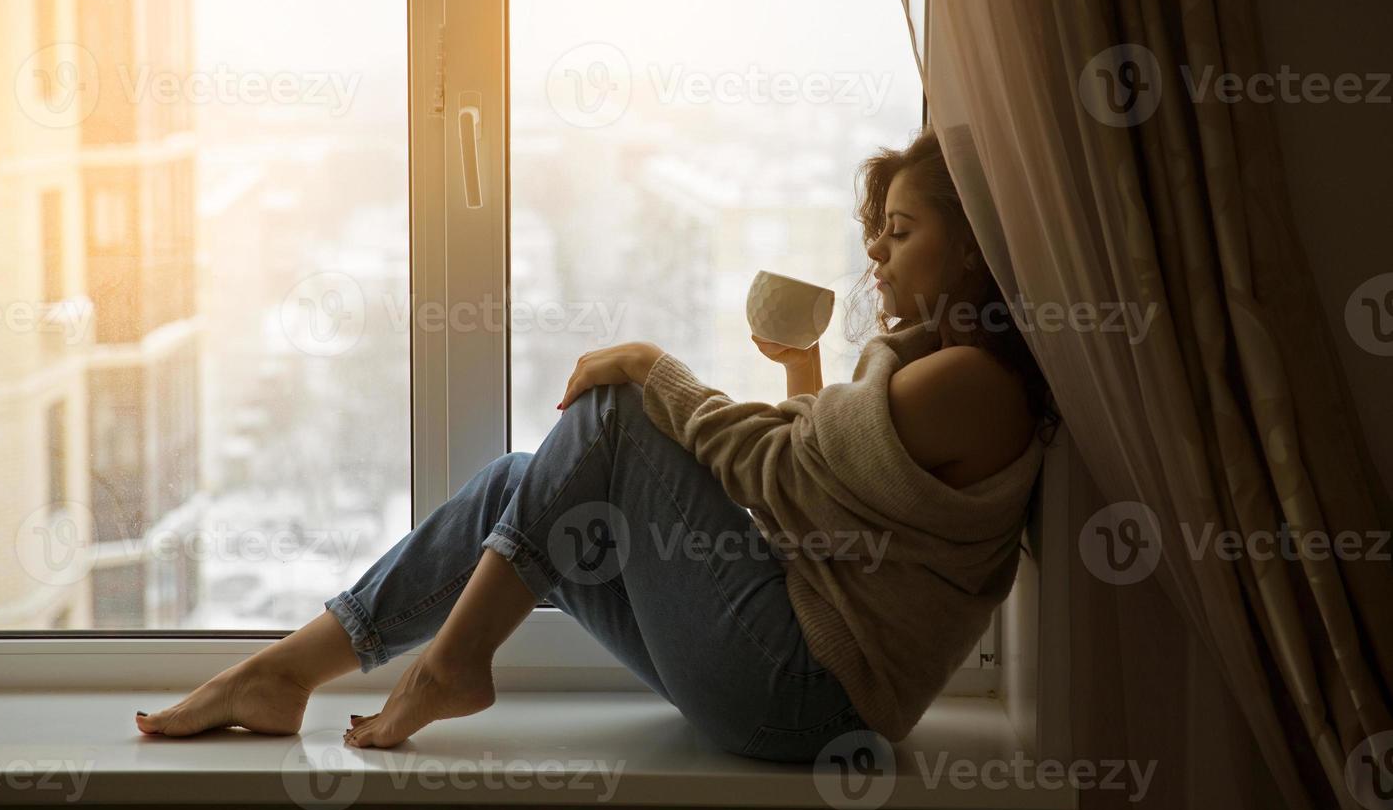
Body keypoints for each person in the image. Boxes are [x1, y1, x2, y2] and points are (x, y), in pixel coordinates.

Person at [135, 124, 1057, 763]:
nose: (879, 258)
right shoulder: (935, 372)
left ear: (974, 248)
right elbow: (814, 495)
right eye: (878, 235)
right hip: (788, 678)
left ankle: (452, 666)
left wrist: (659, 370)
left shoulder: (972, 385)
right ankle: (279, 674)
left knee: (614, 413)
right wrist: (802, 376)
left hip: (808, 698)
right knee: (518, 483)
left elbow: (782, 476)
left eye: (900, 232)